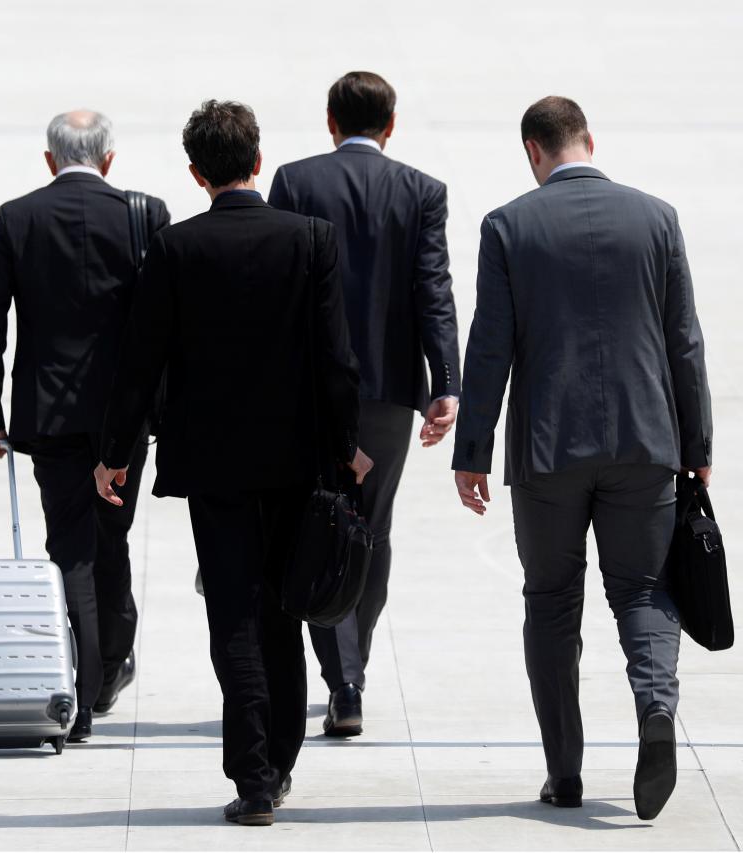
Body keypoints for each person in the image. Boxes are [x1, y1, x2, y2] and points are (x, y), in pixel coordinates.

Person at [94, 100, 369, 826]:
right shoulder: (312, 238)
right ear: (258, 159)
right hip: (296, 459)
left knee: (234, 615)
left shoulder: (176, 248)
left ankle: (253, 775)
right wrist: (348, 449)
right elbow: (336, 361)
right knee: (284, 609)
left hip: (212, 465)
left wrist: (113, 454)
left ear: (196, 172)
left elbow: (139, 362)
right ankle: (277, 761)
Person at [451, 96, 712, 821]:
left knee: (551, 600)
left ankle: (564, 770)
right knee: (643, 589)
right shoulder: (657, 218)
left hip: (548, 449)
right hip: (646, 441)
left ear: (533, 151)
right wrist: (698, 446)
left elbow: (491, 346)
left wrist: (471, 450)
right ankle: (655, 707)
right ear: (589, 141)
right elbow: (683, 340)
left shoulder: (508, 225)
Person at [0, 109, 169, 743]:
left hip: (48, 413)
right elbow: (167, 323)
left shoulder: (16, 217)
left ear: (50, 159)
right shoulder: (146, 214)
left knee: (71, 545)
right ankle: (107, 669)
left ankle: (84, 690)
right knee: (113, 535)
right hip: (124, 417)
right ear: (108, 158)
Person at [268, 71, 460, 737]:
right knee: (370, 529)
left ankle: (340, 679)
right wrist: (447, 383)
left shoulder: (295, 182)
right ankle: (353, 671)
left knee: (321, 522)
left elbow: (280, 287)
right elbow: (434, 288)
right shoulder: (421, 191)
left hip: (313, 390)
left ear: (330, 121)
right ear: (392, 124)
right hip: (387, 393)